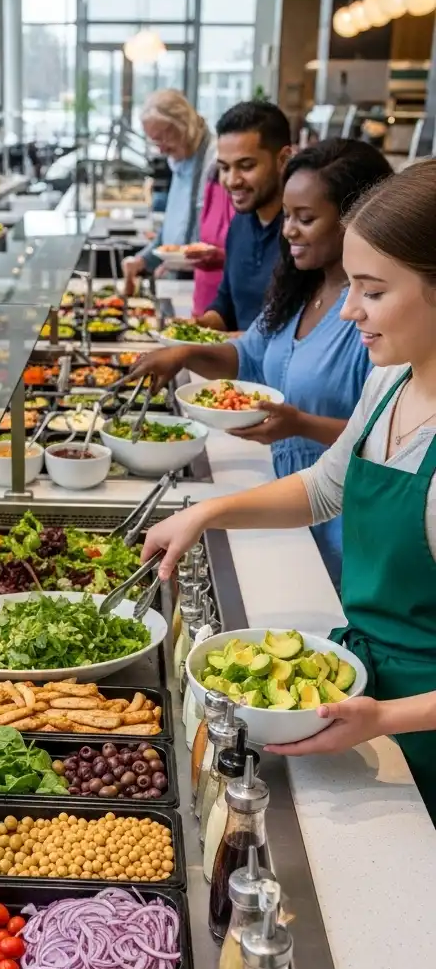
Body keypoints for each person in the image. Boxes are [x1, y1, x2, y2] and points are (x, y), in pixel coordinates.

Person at [141, 158, 436, 816]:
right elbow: (324, 488)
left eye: (374, 291)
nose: (350, 309)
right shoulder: (391, 381)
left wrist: (386, 719)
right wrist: (208, 513)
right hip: (369, 702)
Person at [129, 139, 392, 584]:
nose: (287, 230)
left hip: (349, 522)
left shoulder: (373, 319)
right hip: (290, 498)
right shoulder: (300, 288)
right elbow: (248, 355)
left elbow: (381, 439)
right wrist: (185, 353)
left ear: (356, 223)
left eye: (305, 218)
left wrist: (299, 424)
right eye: (287, 216)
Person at [196, 100, 293, 332]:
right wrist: (194, 328)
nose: (231, 180)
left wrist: (235, 344)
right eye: (224, 168)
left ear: (283, 160)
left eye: (246, 166)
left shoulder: (300, 233)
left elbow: (297, 333)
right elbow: (226, 303)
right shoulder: (240, 223)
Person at [122, 90, 217, 296]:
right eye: (155, 142)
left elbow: (211, 236)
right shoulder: (179, 159)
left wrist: (175, 261)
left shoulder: (215, 162)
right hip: (181, 279)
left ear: (184, 125)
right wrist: (143, 260)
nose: (162, 150)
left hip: (205, 282)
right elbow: (171, 230)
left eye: (163, 139)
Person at [190, 163, 234, 318]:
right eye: (227, 168)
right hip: (203, 300)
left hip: (233, 310)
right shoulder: (214, 175)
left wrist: (221, 256)